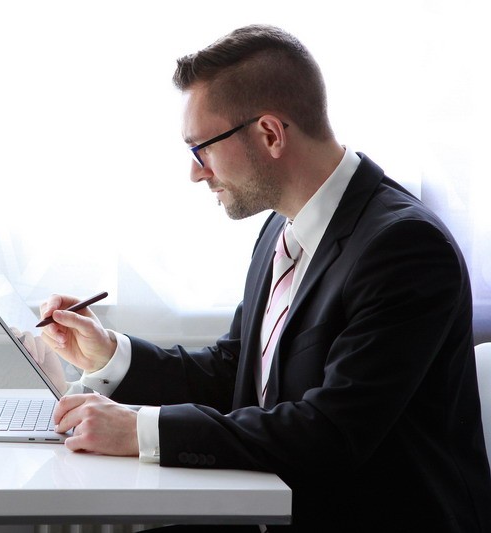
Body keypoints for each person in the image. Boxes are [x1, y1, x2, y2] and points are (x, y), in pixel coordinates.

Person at [38, 24, 491, 532]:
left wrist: (142, 430)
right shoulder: (283, 225)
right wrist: (110, 353)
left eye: (200, 148)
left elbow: (331, 432)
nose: (196, 172)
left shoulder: (404, 248)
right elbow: (238, 372)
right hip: (281, 506)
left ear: (270, 134)